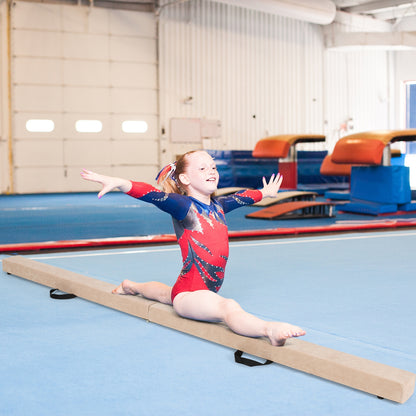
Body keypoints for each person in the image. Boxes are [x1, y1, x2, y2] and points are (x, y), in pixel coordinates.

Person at [81, 150, 305, 346]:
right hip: (191, 294)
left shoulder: (218, 205)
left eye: (214, 166)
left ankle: (131, 286)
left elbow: (241, 197)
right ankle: (269, 330)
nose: (212, 171)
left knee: (163, 293)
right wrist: (121, 183)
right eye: (203, 167)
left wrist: (265, 193)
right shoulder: (183, 206)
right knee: (228, 307)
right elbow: (151, 194)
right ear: (185, 178)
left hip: (188, 286)